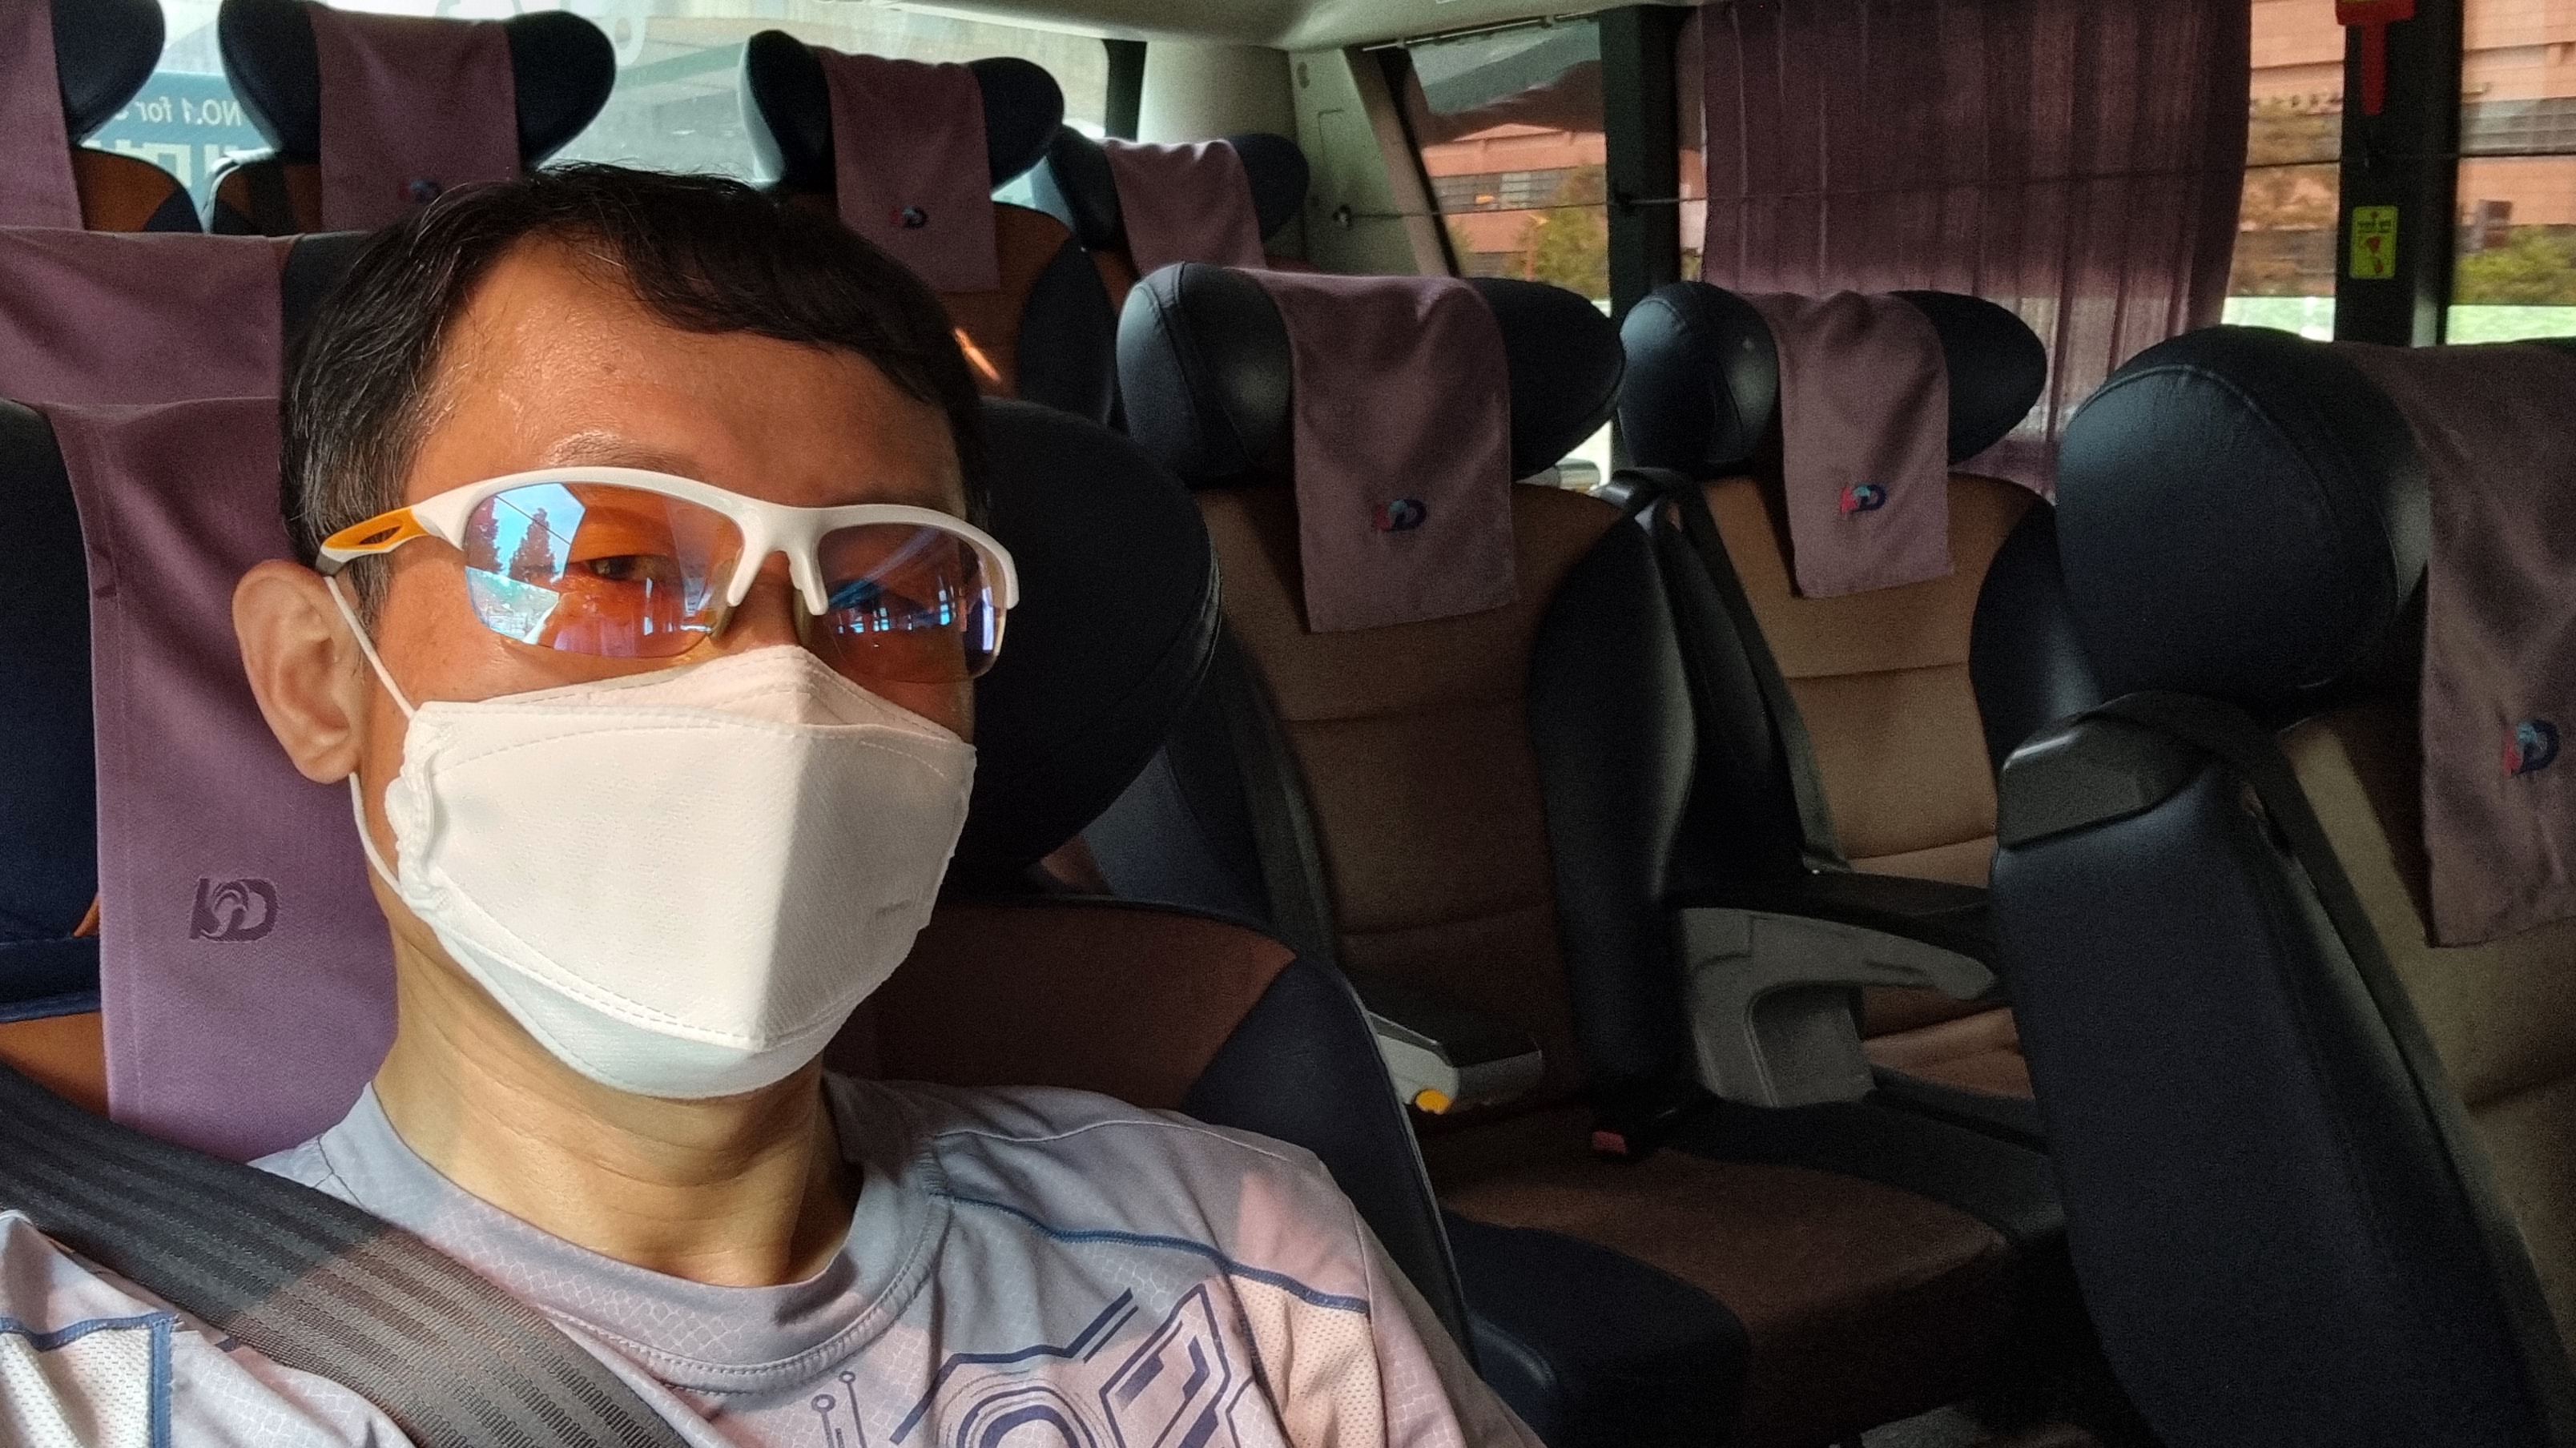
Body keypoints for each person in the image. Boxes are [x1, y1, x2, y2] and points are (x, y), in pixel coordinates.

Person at [0, 166, 1537, 1447]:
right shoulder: (90, 1382)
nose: (776, 687)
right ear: (320, 677)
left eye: (890, 595)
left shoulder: (1252, 1258)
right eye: (608, 562)